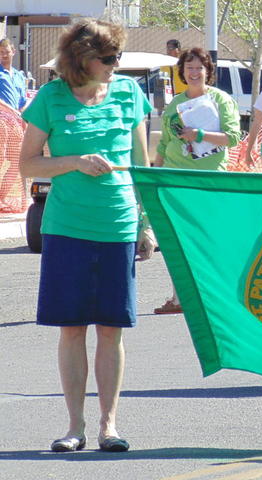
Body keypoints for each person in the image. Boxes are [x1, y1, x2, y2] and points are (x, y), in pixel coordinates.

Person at [19, 19, 155, 453]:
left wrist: (145, 226)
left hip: (117, 227)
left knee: (111, 330)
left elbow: (143, 167)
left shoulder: (129, 94)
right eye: (109, 58)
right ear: (81, 59)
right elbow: (27, 165)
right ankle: (74, 427)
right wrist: (74, 160)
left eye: (119, 57)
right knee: (72, 329)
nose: (117, 65)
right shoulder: (50, 98)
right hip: (66, 229)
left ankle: (108, 426)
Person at [154, 47, 242, 315]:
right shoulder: (174, 104)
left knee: (208, 240)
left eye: (199, 68)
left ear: (208, 72)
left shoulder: (221, 100)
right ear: (182, 72)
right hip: (175, 178)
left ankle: (214, 298)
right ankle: (179, 298)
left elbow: (233, 137)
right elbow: (164, 144)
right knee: (178, 240)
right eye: (189, 68)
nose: (194, 73)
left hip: (209, 181)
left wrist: (200, 134)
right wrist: (155, 175)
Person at [0, 37, 27, 113]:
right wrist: (12, 111)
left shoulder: (19, 76)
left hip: (17, 121)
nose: (4, 55)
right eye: (1, 52)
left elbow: (23, 102)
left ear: (13, 52)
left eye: (7, 52)